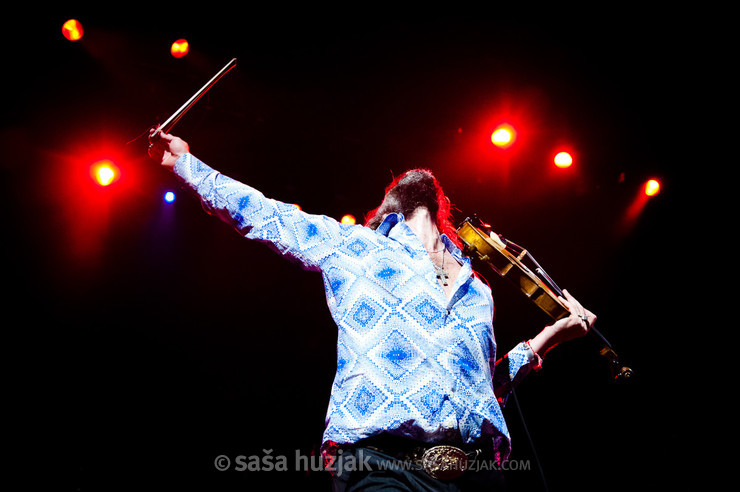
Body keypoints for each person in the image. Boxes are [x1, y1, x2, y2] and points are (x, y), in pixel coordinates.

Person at [148, 132, 595, 491]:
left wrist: (549, 337)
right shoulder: (357, 246)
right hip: (382, 461)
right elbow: (267, 216)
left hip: (477, 471)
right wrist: (188, 165)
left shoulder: (478, 289)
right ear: (385, 207)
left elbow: (483, 387)